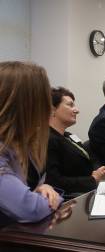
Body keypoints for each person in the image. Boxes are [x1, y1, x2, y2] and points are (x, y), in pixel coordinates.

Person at [0, 61, 63, 225]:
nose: (50, 108)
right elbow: (30, 209)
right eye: (45, 99)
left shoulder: (22, 143)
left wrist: (42, 190)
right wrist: (45, 197)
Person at [45, 87, 105, 194]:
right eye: (70, 105)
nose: (77, 110)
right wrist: (93, 179)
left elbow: (90, 158)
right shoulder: (48, 140)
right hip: (71, 199)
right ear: (53, 110)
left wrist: (100, 172)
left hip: (88, 191)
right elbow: (54, 182)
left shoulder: (69, 136)